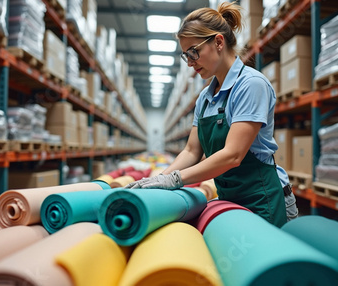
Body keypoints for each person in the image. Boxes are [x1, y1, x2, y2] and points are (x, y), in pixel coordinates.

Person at [126, 2, 298, 227]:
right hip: (232, 199)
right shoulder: (205, 98)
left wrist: (176, 180)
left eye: (193, 52)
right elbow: (191, 151)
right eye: (185, 56)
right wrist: (159, 180)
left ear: (218, 42)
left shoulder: (250, 85)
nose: (190, 63)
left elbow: (232, 155)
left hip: (264, 199)